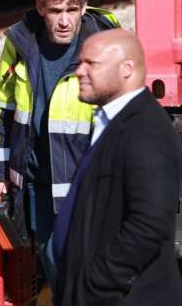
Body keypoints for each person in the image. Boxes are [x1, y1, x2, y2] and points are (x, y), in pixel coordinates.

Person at [0, 0, 118, 280]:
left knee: (90, 265)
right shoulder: (19, 42)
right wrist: (0, 173)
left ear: (84, 7)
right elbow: (2, 110)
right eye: (55, 10)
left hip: (88, 178)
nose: (64, 20)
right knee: (52, 261)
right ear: (40, 7)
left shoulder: (106, 42)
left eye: (72, 10)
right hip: (40, 179)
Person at [52, 29, 182, 306]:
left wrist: (97, 283)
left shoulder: (146, 130)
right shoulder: (112, 121)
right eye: (80, 63)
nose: (79, 72)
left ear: (127, 69)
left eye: (92, 64)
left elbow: (149, 223)